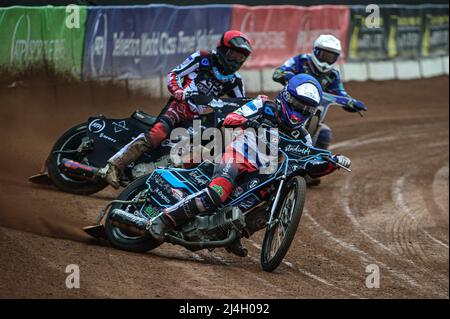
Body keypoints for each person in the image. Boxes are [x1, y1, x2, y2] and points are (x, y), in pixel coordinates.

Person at [148, 74, 352, 257]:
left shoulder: (303, 137)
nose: (300, 111)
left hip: (263, 175)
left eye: (306, 108)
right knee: (217, 193)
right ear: (286, 97)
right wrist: (247, 123)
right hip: (236, 156)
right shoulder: (263, 105)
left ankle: (233, 234)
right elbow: (230, 119)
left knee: (272, 205)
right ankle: (165, 220)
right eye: (297, 104)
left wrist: (332, 163)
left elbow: (310, 167)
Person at [99, 30, 253, 188]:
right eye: (233, 55)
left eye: (241, 57)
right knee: (157, 134)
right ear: (222, 48)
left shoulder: (235, 81)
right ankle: (113, 166)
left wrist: (248, 121)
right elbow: (175, 74)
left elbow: (241, 106)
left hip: (195, 117)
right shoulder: (202, 58)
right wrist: (179, 91)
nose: (236, 60)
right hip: (179, 106)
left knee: (191, 150)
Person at [272, 34, 367, 151]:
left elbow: (340, 94)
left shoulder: (333, 75)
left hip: (309, 113)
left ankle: (316, 163)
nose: (326, 60)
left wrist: (351, 103)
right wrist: (286, 75)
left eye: (330, 57)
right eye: (323, 55)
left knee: (324, 134)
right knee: (269, 121)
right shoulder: (300, 61)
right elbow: (277, 73)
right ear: (315, 51)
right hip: (286, 107)